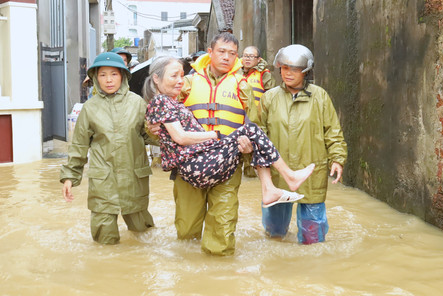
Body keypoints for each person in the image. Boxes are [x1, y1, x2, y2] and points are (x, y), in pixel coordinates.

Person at [143, 56, 313, 204]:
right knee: (251, 130)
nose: (180, 80)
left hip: (200, 161)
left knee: (252, 134)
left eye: (181, 75)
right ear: (156, 79)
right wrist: (214, 135)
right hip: (196, 164)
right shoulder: (161, 101)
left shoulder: (169, 101)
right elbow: (180, 137)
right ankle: (287, 178)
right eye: (174, 76)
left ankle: (270, 188)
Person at [146, 33, 255, 256]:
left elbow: (255, 123)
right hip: (189, 164)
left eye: (232, 53)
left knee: (222, 227)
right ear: (210, 52)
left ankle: (219, 279)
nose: (226, 57)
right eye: (221, 52)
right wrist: (152, 129)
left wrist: (249, 148)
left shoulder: (243, 86)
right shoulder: (183, 83)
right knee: (187, 230)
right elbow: (162, 125)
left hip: (228, 162)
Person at [60, 52, 155, 245]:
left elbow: (149, 136)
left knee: (142, 233)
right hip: (103, 179)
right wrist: (70, 176)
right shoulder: (90, 108)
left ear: (123, 75)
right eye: (103, 75)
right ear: (95, 77)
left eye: (114, 74)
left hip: (133, 177)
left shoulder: (137, 103)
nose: (109, 80)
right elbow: (79, 145)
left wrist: (165, 131)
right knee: (104, 239)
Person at [259, 44, 347, 245]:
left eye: (295, 69)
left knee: (313, 237)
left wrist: (338, 159)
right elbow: (258, 134)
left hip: (311, 172)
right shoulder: (269, 98)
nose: (288, 73)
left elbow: (332, 131)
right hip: (279, 174)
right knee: (275, 234)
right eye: (284, 68)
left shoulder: (320, 96)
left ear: (305, 71)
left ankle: (312, 272)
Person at [239, 45, 277, 178]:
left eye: (251, 56)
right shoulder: (234, 73)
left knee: (256, 148)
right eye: (245, 56)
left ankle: (255, 174)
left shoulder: (264, 75)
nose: (247, 59)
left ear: (258, 59)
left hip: (258, 119)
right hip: (238, 118)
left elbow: (272, 97)